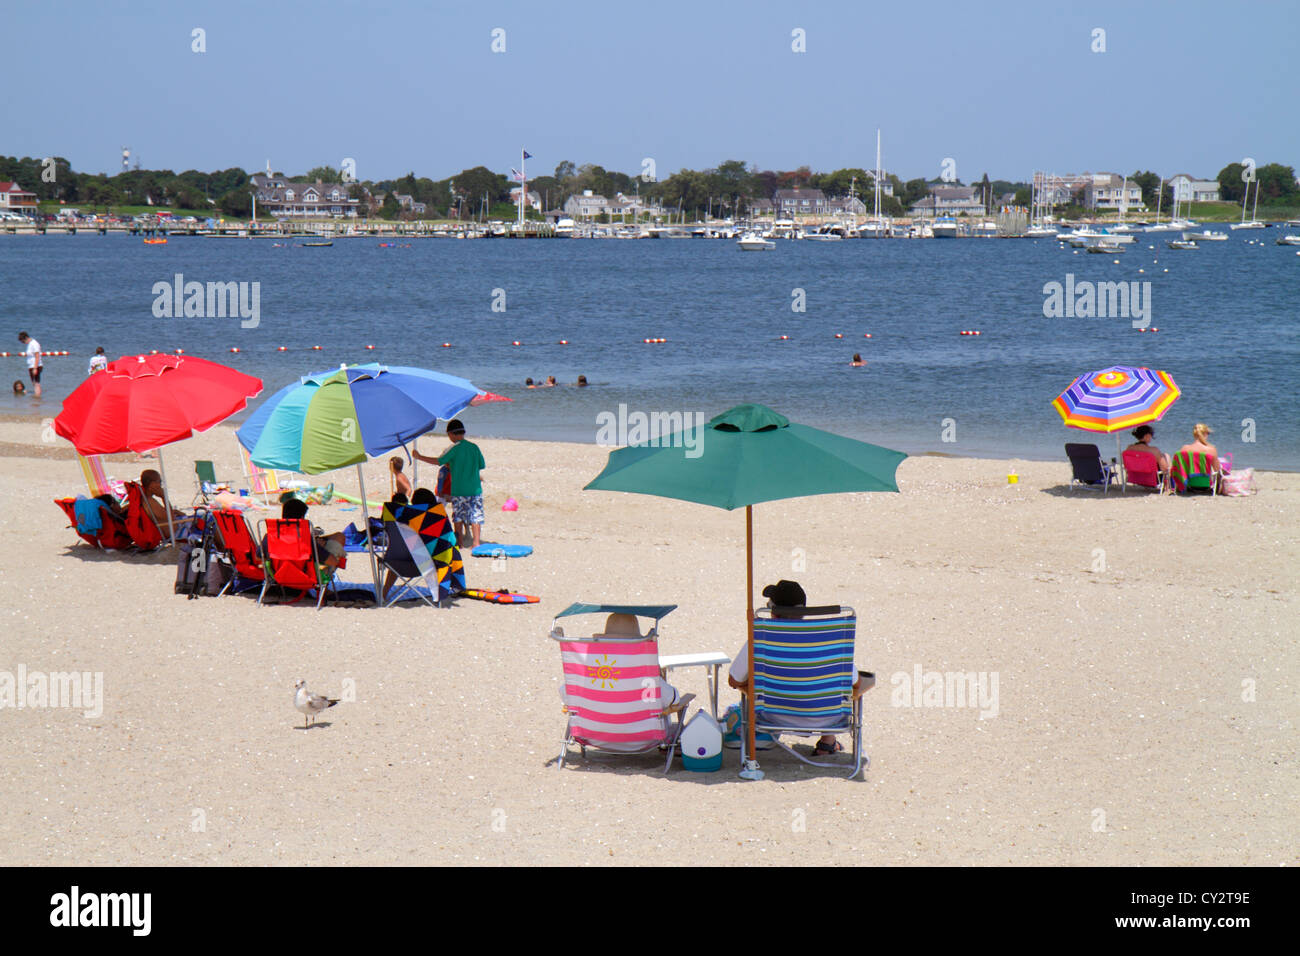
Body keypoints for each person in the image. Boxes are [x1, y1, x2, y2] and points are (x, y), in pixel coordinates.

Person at [726, 579, 864, 757]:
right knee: (831, 684)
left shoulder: (761, 636)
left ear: (773, 612)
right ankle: (827, 744)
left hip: (773, 716)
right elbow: (856, 682)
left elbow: (734, 680)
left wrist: (756, 682)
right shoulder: (828, 637)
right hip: (829, 717)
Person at [413, 419, 485, 549]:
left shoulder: (454, 449)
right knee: (476, 516)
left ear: (451, 434)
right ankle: (476, 543)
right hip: (475, 489)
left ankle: (460, 543)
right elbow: (481, 465)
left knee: (458, 516)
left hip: (458, 490)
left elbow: (439, 461)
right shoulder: (474, 447)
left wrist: (419, 456)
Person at [265, 497, 345, 570]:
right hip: (306, 577)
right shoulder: (304, 539)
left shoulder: (272, 535)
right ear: (302, 518)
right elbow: (333, 562)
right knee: (338, 539)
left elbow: (258, 557)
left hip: (279, 574)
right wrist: (319, 548)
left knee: (337, 536)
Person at [17, 331, 41, 397]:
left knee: (36, 383)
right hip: (31, 366)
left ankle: (37, 397)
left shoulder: (34, 344)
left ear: (26, 338)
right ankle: (37, 396)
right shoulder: (30, 344)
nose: (23, 343)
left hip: (36, 366)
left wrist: (35, 368)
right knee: (34, 382)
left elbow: (37, 356)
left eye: (23, 341)